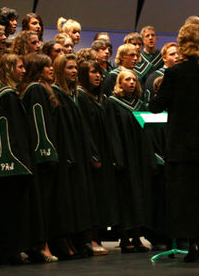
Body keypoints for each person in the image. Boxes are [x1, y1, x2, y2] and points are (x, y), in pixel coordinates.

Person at [148, 23, 199, 262]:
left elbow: (157, 106)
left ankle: (193, 245)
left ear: (183, 45)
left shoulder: (175, 73)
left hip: (184, 149)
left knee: (188, 198)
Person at [0, 53, 46, 264]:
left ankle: (12, 249)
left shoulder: (6, 94)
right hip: (12, 163)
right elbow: (12, 133)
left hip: (10, 163)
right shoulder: (7, 97)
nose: (23, 70)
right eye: (19, 67)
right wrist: (21, 161)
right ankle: (10, 251)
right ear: (9, 69)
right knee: (12, 210)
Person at [51, 54, 102, 257]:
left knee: (81, 198)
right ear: (60, 70)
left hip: (79, 155)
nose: (73, 71)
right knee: (67, 199)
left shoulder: (73, 94)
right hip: (66, 155)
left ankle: (80, 240)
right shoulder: (55, 94)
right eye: (69, 68)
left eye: (74, 68)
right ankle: (64, 240)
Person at [18, 53, 63, 262]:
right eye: (47, 66)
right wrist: (47, 152)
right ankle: (41, 246)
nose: (51, 69)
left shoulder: (39, 88)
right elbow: (39, 123)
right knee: (41, 204)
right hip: (41, 156)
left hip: (40, 155)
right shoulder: (35, 89)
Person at [103, 69, 154, 253]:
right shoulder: (112, 103)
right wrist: (117, 158)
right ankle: (124, 238)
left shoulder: (140, 104)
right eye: (127, 79)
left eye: (134, 79)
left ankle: (137, 237)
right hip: (124, 158)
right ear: (119, 83)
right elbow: (112, 133)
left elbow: (147, 131)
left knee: (140, 197)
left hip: (139, 157)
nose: (131, 82)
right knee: (125, 197)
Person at [76, 60, 123, 253]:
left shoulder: (100, 97)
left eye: (99, 72)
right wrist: (93, 155)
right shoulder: (81, 97)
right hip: (91, 155)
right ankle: (90, 239)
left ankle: (98, 237)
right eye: (93, 72)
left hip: (103, 152)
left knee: (102, 198)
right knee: (92, 199)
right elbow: (85, 130)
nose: (98, 76)